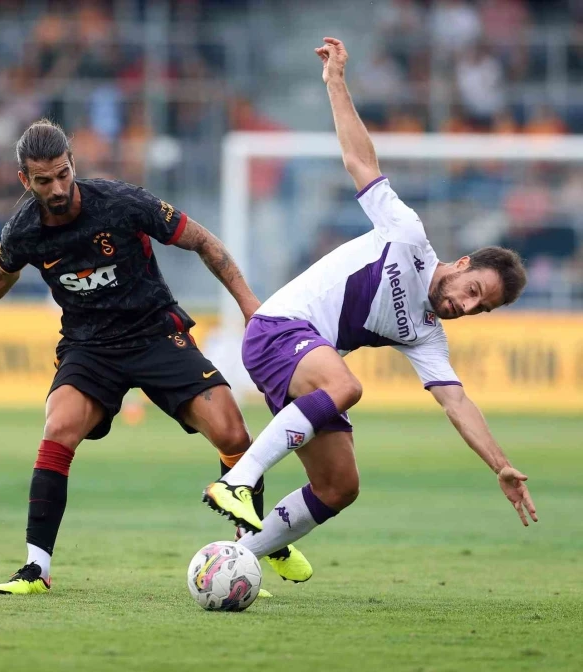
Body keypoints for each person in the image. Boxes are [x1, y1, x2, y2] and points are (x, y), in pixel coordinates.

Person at [0, 119, 312, 594]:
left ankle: (249, 547)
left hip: (155, 334)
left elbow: (203, 241)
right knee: (58, 428)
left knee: (233, 432)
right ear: (25, 180)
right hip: (90, 348)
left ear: (73, 164)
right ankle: (36, 569)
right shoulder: (25, 228)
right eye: (44, 181)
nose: (58, 187)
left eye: (63, 174)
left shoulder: (122, 204)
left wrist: (250, 306)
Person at [203, 38, 538, 565]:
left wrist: (499, 463)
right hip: (278, 330)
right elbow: (360, 158)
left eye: (482, 310)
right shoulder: (408, 234)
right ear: (462, 265)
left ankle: (239, 555)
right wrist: (336, 82)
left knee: (340, 486)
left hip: (304, 359)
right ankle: (240, 480)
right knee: (346, 385)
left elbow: (457, 403)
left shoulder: (428, 333)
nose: (468, 308)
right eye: (474, 292)